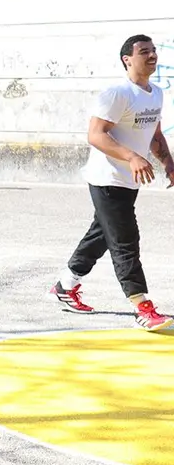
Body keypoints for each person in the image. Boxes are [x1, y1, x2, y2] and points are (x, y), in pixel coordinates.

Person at [50, 34, 174, 330]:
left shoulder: (155, 93)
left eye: (154, 51)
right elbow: (96, 135)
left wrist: (169, 163)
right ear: (127, 59)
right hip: (106, 179)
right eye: (144, 52)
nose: (152, 56)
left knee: (102, 235)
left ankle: (65, 286)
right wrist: (132, 157)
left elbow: (154, 136)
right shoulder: (117, 93)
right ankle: (143, 307)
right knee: (125, 240)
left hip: (128, 182)